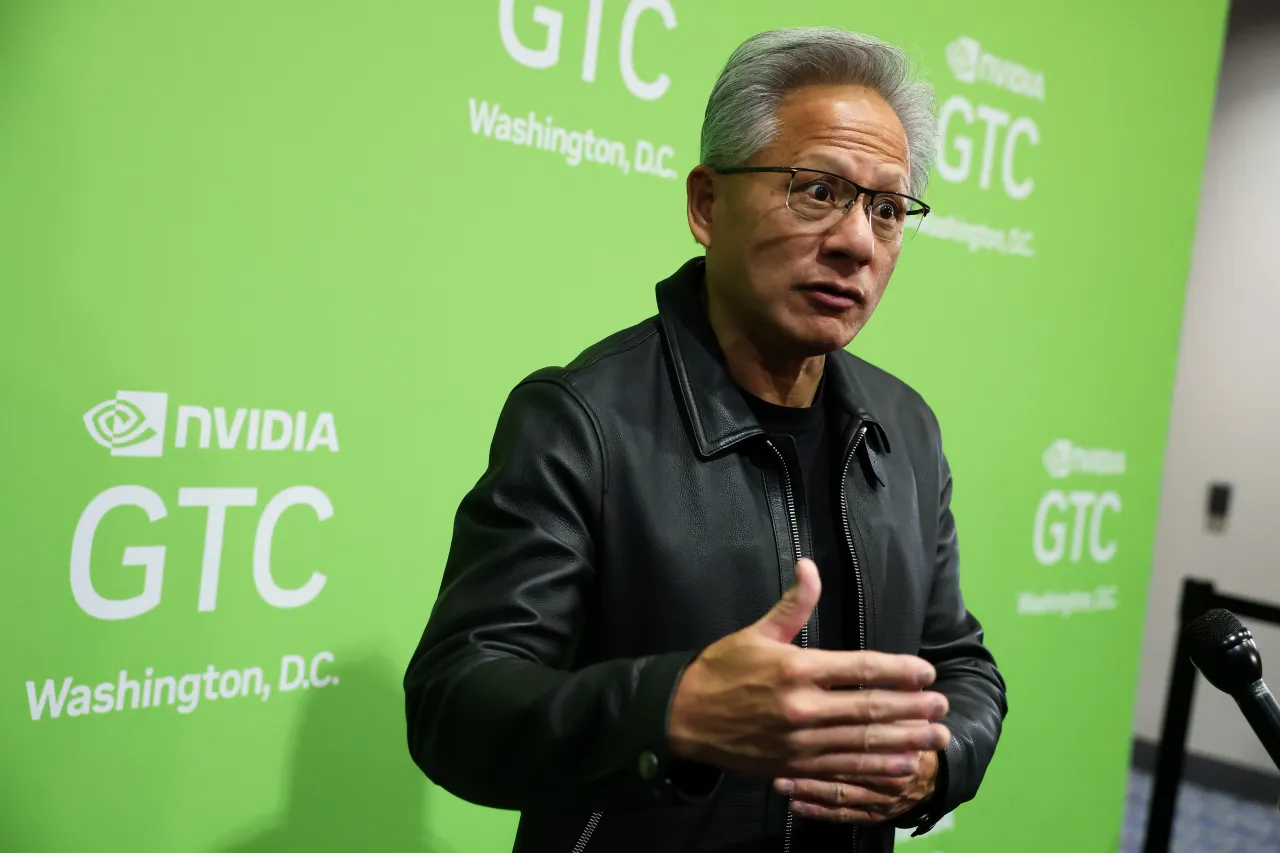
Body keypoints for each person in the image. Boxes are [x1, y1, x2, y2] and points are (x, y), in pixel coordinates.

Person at [404, 26, 1007, 853]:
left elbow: (960, 663)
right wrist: (671, 708)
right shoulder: (582, 419)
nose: (857, 242)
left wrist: (939, 761)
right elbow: (454, 702)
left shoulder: (905, 428)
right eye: (817, 190)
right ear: (706, 204)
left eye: (887, 208)